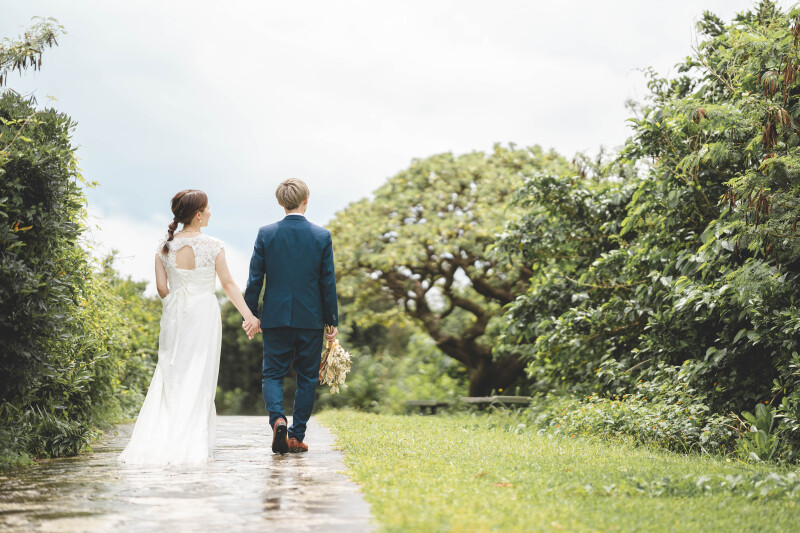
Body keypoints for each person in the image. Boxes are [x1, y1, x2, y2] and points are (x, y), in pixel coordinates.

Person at [118, 189, 257, 464]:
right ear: (197, 214)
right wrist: (249, 316)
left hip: (174, 314)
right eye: (207, 209)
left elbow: (161, 288)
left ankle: (162, 438)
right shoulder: (214, 246)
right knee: (199, 373)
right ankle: (191, 441)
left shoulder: (163, 246)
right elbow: (228, 284)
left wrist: (174, 304)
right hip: (203, 312)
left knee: (171, 373)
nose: (209, 213)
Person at [243, 178, 338, 454]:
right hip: (311, 319)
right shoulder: (322, 236)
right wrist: (331, 321)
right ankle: (296, 437)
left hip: (275, 317)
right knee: (307, 377)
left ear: (280, 202)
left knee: (272, 374)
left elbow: (255, 279)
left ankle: (278, 420)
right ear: (306, 200)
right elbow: (327, 282)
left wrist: (251, 314)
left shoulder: (266, 233)